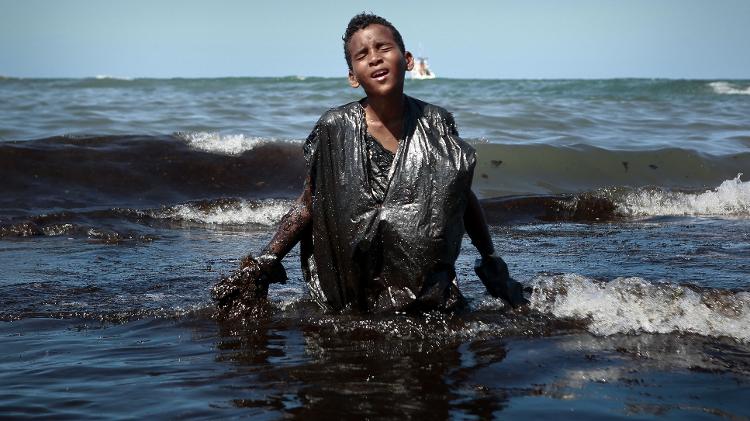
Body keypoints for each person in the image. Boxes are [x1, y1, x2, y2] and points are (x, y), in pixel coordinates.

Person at [214, 13, 526, 314]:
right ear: (353, 76)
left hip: (427, 292)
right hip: (356, 293)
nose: (374, 58)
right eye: (362, 55)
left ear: (407, 60)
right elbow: (310, 204)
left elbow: (459, 195)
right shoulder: (334, 127)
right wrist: (267, 260)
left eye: (383, 48)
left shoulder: (436, 122)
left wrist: (491, 259)